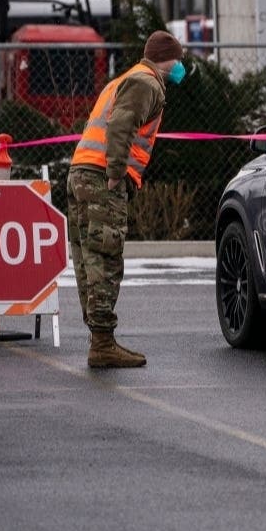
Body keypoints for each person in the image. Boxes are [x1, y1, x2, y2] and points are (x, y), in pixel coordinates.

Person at [67, 30, 186, 368]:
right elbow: (121, 126)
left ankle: (100, 339)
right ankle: (103, 343)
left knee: (88, 259)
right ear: (168, 58)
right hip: (101, 177)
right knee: (105, 257)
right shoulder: (146, 83)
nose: (181, 68)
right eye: (179, 60)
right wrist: (116, 172)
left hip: (81, 173)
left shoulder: (125, 79)